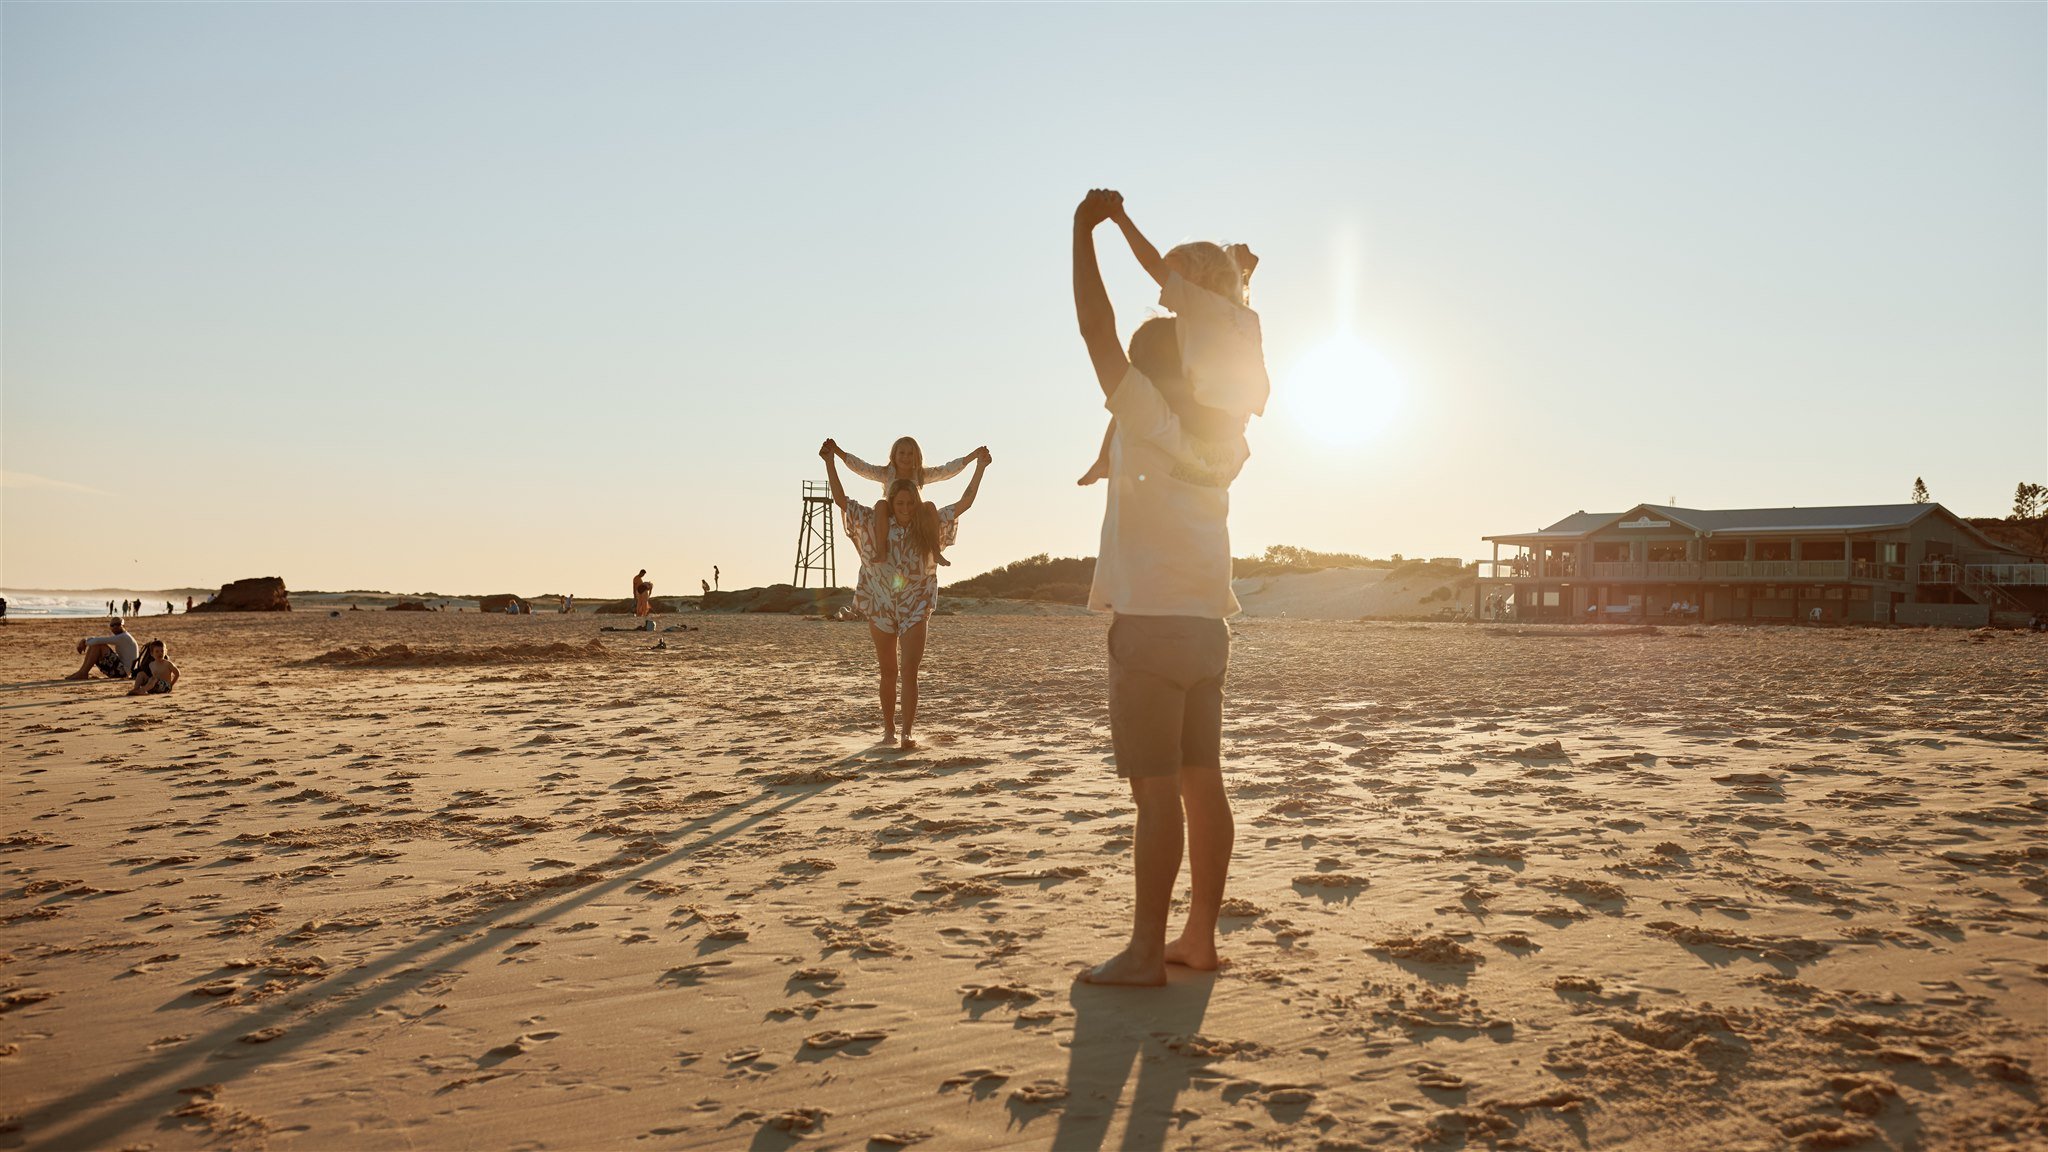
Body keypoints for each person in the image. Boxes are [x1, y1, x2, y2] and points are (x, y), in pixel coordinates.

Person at [1070, 189, 1259, 987]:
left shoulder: (1146, 410)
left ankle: (1147, 953)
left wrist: (1083, 233)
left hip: (1149, 621)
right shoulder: (1229, 429)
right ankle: (1200, 939)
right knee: (1201, 784)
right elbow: (1207, 325)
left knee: (1155, 799)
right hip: (1208, 625)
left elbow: (1095, 328)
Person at [1078, 199, 1266, 486]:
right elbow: (1233, 306)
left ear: (1196, 277)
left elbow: (1151, 263)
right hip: (1231, 425)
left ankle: (1103, 459)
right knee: (1136, 388)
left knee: (1137, 384)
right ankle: (1103, 459)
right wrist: (1244, 274)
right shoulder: (1246, 315)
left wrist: (1120, 217)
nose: (1165, 297)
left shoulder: (1198, 303)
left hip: (1202, 419)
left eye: (1174, 277)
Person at [819, 437, 990, 751]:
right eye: (900, 503)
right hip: (880, 602)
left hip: (916, 603)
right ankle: (887, 731)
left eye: (910, 503)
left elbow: (964, 502)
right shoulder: (874, 520)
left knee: (910, 671)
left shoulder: (927, 521)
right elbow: (842, 500)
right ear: (892, 502)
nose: (906, 508)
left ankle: (907, 733)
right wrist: (831, 461)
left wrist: (979, 467)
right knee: (888, 672)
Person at [66, 617, 140, 682]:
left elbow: (98, 641)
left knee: (98, 646)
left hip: (124, 672)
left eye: (118, 624)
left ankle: (83, 673)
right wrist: (86, 640)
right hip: (122, 670)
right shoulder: (122, 637)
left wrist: (85, 641)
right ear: (110, 628)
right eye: (112, 625)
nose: (115, 627)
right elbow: (98, 640)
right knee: (96, 645)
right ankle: (82, 672)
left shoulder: (123, 637)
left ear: (123, 625)